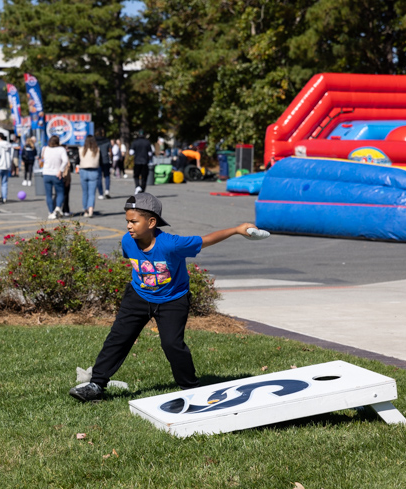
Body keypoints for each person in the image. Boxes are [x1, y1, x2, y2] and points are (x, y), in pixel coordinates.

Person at [69, 193, 262, 402]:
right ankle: (96, 384)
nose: (129, 226)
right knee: (118, 339)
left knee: (172, 344)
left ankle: (190, 388)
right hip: (138, 296)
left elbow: (205, 240)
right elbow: (139, 266)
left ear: (151, 222)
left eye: (134, 221)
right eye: (127, 221)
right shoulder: (128, 241)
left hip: (173, 299)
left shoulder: (172, 245)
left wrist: (236, 230)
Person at [40, 135, 69, 219]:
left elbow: (42, 159)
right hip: (57, 174)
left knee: (48, 194)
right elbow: (65, 160)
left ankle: (50, 212)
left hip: (46, 173)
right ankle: (58, 207)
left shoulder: (45, 149)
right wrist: (61, 170)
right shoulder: (61, 149)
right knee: (60, 192)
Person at [78, 135, 100, 218]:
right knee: (92, 193)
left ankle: (85, 211)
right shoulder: (97, 150)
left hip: (83, 171)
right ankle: (91, 209)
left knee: (85, 192)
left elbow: (78, 160)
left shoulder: (81, 150)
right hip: (94, 171)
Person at [95, 131, 112, 199]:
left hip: (97, 161)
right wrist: (111, 159)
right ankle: (107, 190)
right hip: (106, 160)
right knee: (107, 176)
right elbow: (110, 151)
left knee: (99, 177)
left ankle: (101, 193)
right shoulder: (107, 140)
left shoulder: (95, 141)